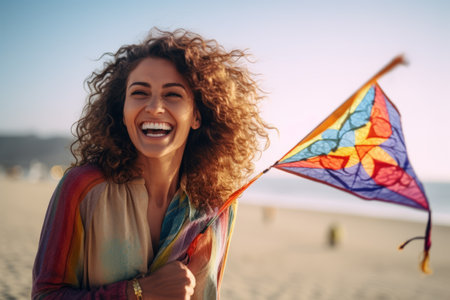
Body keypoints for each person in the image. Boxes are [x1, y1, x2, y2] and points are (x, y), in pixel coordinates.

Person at [32, 28, 271, 299]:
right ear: (122, 112)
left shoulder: (219, 207)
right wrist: (139, 292)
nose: (155, 107)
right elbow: (45, 295)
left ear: (197, 115)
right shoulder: (82, 188)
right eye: (139, 93)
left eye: (173, 95)